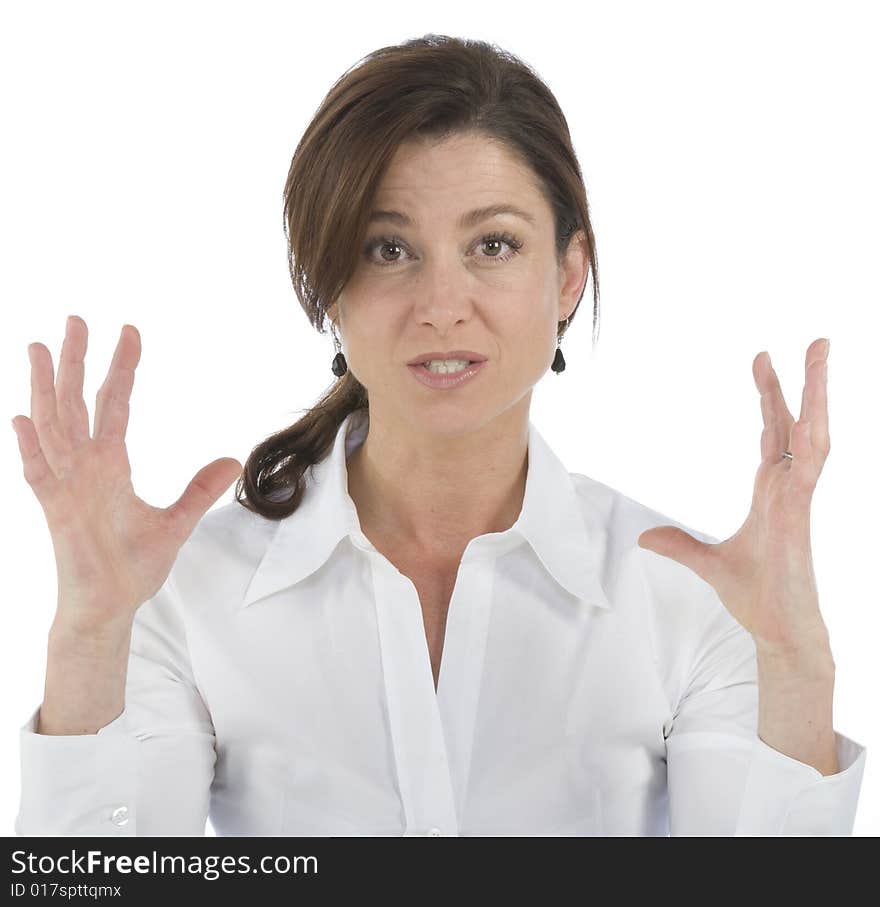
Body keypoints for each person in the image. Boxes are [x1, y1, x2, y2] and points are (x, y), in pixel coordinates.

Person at [13, 34, 866, 837]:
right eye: (388, 249)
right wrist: (89, 636)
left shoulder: (686, 598)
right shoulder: (190, 592)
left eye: (493, 243)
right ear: (330, 289)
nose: (441, 303)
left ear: (568, 274)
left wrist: (798, 665)